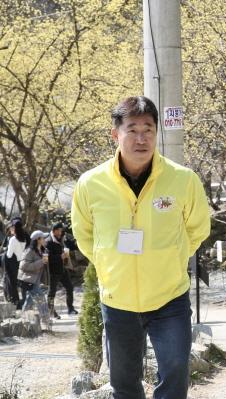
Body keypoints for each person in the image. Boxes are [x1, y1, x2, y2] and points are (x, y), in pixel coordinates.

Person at [71, 96, 210, 399]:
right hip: (118, 300)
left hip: (169, 297)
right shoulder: (90, 183)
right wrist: (111, 264)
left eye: (148, 129)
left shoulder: (183, 180)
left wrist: (170, 258)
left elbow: (198, 227)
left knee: (174, 372)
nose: (141, 138)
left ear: (157, 133)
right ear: (115, 134)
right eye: (132, 129)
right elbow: (84, 234)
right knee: (124, 384)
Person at [18, 230, 50, 324]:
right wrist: (41, 262)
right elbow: (23, 266)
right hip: (29, 280)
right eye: (43, 238)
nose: (45, 240)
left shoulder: (43, 250)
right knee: (41, 297)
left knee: (30, 299)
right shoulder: (29, 251)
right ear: (38, 240)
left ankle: (22, 317)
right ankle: (46, 321)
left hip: (36, 280)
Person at [46, 222, 76, 319]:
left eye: (61, 230)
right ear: (54, 231)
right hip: (53, 271)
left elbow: (70, 245)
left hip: (62, 269)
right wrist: (60, 257)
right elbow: (48, 258)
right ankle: (51, 312)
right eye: (59, 230)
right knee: (52, 292)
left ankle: (70, 308)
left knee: (70, 287)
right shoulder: (48, 242)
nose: (61, 232)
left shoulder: (61, 238)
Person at [5, 217, 29, 308]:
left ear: (15, 228)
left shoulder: (13, 239)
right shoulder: (25, 237)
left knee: (13, 284)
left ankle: (16, 303)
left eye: (11, 227)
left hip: (15, 265)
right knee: (23, 285)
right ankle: (25, 304)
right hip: (24, 263)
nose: (10, 229)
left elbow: (9, 255)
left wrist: (6, 249)